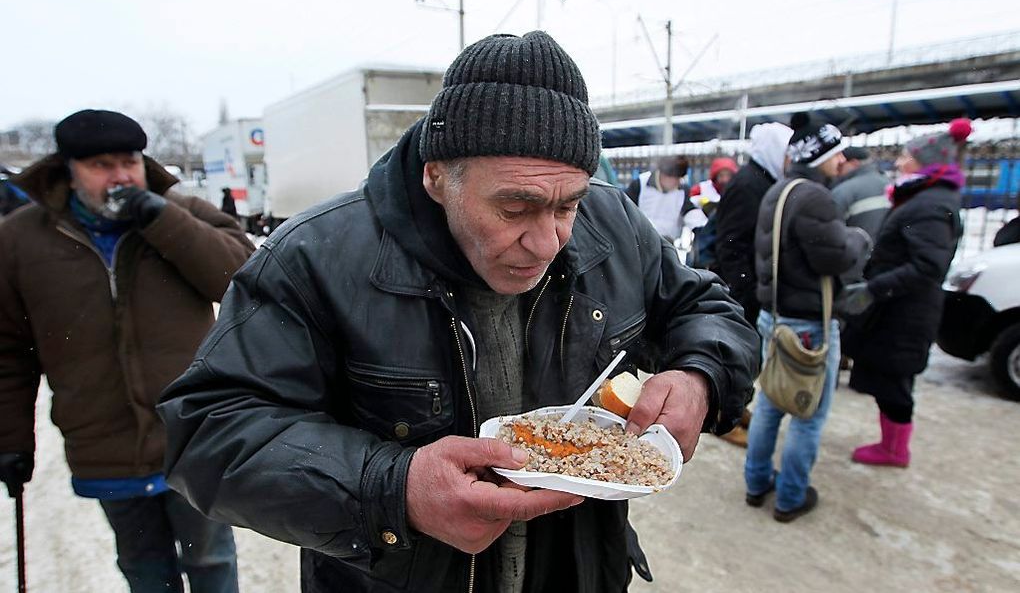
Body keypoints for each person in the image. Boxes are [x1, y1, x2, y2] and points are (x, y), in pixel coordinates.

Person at [157, 31, 759, 592]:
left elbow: (706, 305)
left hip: (578, 570)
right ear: (437, 176)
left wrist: (700, 373)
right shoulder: (315, 257)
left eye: (566, 205)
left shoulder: (613, 222)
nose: (548, 242)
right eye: (515, 208)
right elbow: (210, 431)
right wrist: (394, 491)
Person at [0, 110, 254, 593]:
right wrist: (10, 437)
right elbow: (8, 351)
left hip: (193, 438)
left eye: (129, 162)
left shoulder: (184, 214)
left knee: (213, 563)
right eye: (101, 165)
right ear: (69, 171)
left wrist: (161, 220)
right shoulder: (19, 239)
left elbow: (244, 279)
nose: (120, 176)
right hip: (105, 445)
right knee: (144, 569)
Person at [744, 114, 869, 522]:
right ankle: (791, 497)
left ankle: (756, 482)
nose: (842, 161)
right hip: (808, 327)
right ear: (822, 155)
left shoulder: (778, 191)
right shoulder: (815, 197)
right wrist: (858, 238)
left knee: (769, 404)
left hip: (775, 317)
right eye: (836, 153)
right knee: (807, 415)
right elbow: (833, 255)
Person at [842, 119, 969, 468]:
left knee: (895, 383)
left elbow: (929, 266)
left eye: (906, 156)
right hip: (900, 308)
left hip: (904, 312)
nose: (899, 162)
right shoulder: (928, 197)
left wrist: (873, 288)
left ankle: (894, 450)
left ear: (925, 162)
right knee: (891, 379)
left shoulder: (928, 205)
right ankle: (892, 444)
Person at [716, 123, 793, 328]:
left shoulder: (763, 181)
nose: (790, 161)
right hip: (747, 294)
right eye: (787, 154)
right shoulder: (747, 185)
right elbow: (731, 243)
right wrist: (747, 291)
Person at [830, 146, 890, 283]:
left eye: (841, 164)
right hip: (884, 271)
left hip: (853, 272)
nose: (837, 169)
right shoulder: (890, 184)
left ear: (854, 163)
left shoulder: (842, 191)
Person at [684, 157, 738, 270]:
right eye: (721, 176)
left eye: (728, 176)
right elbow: (690, 204)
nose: (724, 179)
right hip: (704, 229)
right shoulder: (702, 188)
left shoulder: (736, 190)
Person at [624, 155, 692, 241]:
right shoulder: (640, 184)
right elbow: (625, 210)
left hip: (669, 242)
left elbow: (689, 210)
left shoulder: (683, 189)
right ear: (664, 175)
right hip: (641, 241)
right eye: (675, 178)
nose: (678, 182)